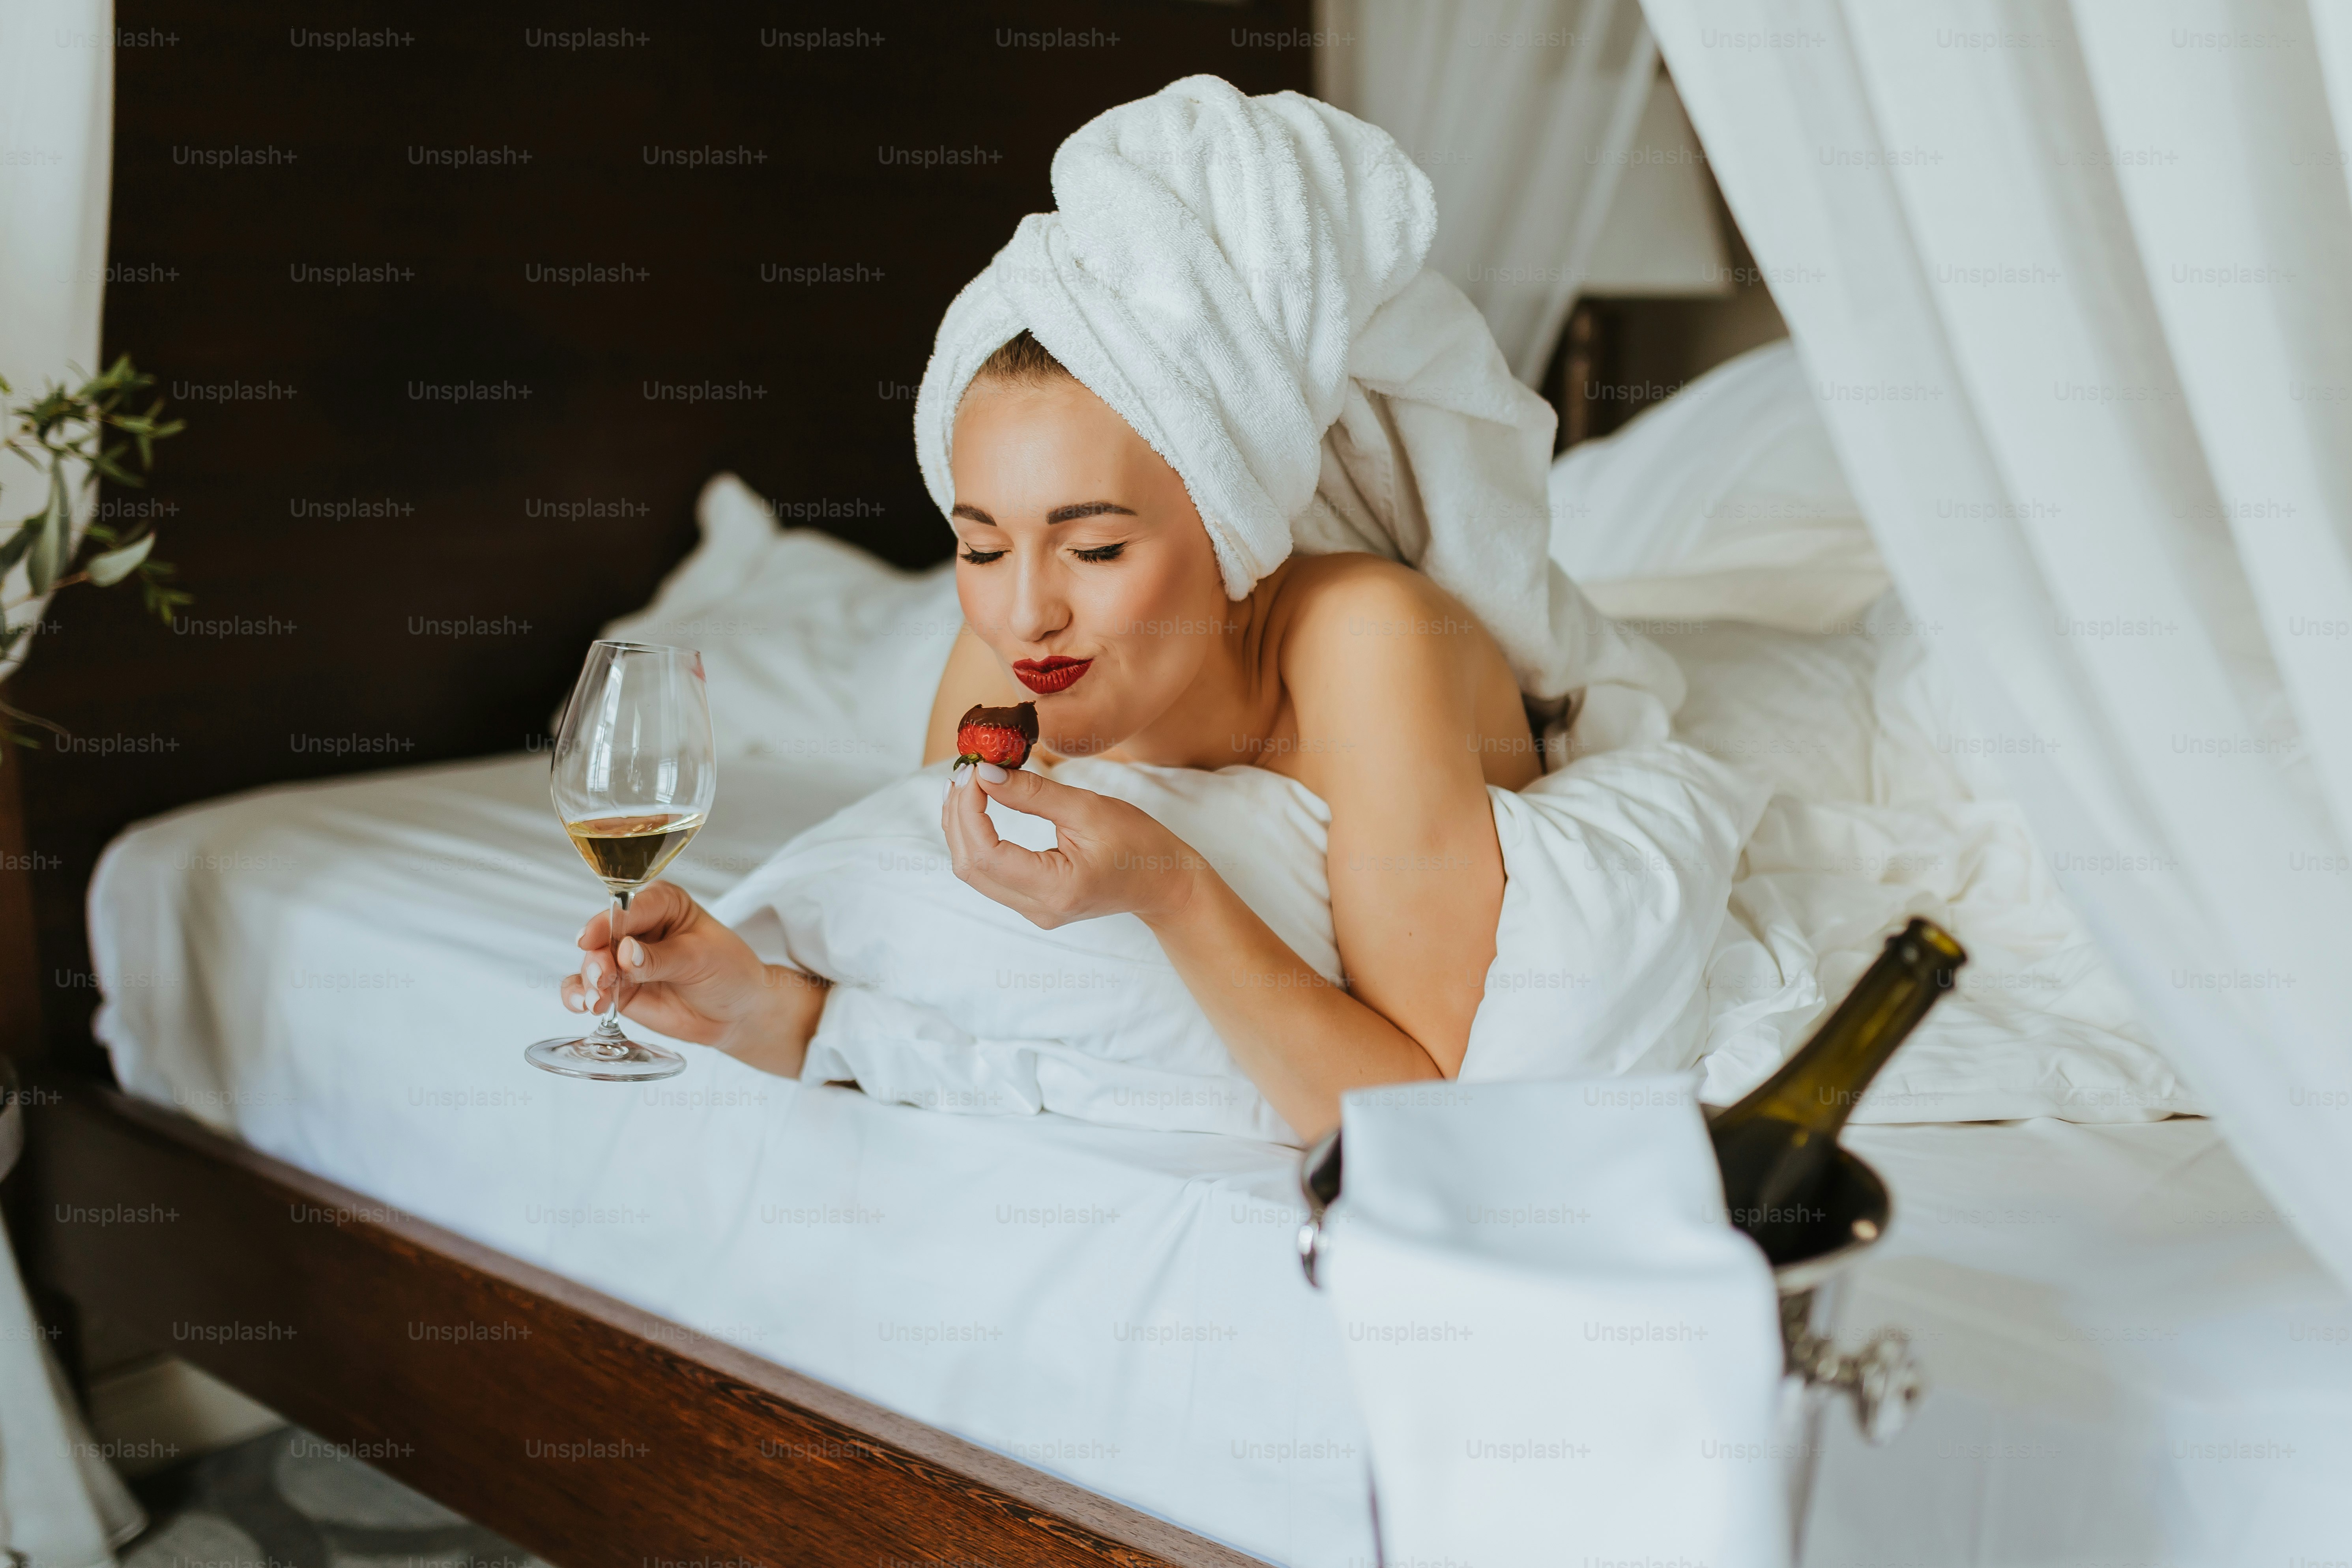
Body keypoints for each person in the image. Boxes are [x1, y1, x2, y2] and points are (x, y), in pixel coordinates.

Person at [556, 77, 1676, 1141]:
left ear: (1233, 530)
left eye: (1092, 545)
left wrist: (1169, 888)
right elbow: (973, 996)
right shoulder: (1004, 651)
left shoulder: (1372, 642)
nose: (1025, 614)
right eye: (980, 544)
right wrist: (760, 1006)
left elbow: (1418, 1111)